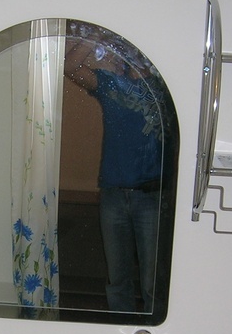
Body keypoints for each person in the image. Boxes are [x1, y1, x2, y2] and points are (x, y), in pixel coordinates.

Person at [64, 25, 171, 313]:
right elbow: (69, 66)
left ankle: (155, 331)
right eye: (128, 50)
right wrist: (97, 36)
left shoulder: (164, 89)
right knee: (117, 279)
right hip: (113, 195)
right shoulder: (111, 84)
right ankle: (118, 329)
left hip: (152, 196)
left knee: (153, 281)